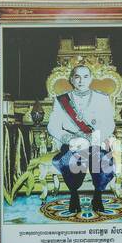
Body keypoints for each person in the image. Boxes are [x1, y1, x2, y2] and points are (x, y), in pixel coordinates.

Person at [47, 64, 115, 215]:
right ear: (72, 79)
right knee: (71, 159)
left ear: (91, 79)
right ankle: (74, 194)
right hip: (73, 144)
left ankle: (98, 195)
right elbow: (52, 126)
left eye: (85, 77)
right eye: (77, 77)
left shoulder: (102, 98)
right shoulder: (61, 101)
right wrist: (69, 139)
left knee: (101, 159)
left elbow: (110, 124)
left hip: (95, 141)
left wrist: (91, 140)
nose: (81, 81)